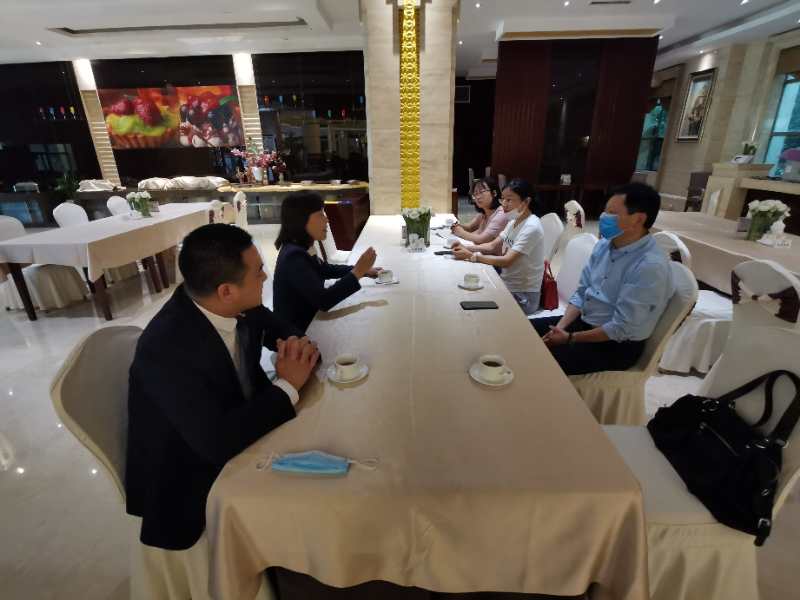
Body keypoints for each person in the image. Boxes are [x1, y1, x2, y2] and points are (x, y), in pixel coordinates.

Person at [127, 224, 319, 559]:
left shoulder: (236, 305)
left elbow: (287, 333)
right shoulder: (166, 348)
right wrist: (287, 384)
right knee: (314, 503)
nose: (265, 277)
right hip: (189, 477)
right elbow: (216, 443)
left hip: (243, 428)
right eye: (259, 272)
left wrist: (297, 348)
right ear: (226, 291)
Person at [531, 182, 674, 376]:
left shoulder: (649, 266)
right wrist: (560, 327)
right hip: (584, 322)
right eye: (605, 211)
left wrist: (570, 338)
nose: (603, 217)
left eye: (612, 213)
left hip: (615, 345)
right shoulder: (604, 246)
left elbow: (621, 328)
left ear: (638, 219)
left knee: (536, 362)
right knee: (522, 331)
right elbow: (582, 292)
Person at [273, 191, 381, 331]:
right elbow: (324, 300)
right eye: (320, 215)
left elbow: (324, 269)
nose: (326, 220)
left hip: (312, 321)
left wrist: (362, 270)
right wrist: (357, 272)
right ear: (301, 219)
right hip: (298, 334)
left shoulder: (301, 245)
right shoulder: (293, 257)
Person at [452, 178, 545, 315]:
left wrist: (472, 256)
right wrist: (465, 247)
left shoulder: (532, 227)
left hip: (523, 297)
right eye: (503, 199)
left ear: (526, 201)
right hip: (505, 283)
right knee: (463, 291)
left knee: (471, 303)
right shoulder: (513, 221)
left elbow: (507, 261)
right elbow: (491, 246)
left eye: (509, 200)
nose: (504, 204)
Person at [450, 177, 509, 251]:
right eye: (475, 194)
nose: (478, 197)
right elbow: (470, 228)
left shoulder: (501, 214)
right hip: (482, 251)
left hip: (494, 256)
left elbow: (482, 239)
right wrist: (456, 225)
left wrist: (460, 232)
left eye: (481, 192)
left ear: (494, 193)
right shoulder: (484, 212)